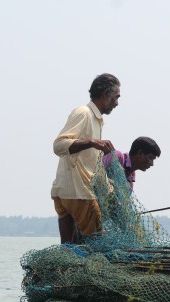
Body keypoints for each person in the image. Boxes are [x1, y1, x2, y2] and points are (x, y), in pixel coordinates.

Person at [51, 73, 121, 244]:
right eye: (116, 97)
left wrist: (110, 191)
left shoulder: (97, 120)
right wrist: (91, 142)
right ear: (105, 94)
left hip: (66, 192)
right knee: (95, 244)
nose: (117, 103)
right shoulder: (84, 113)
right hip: (79, 193)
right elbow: (59, 145)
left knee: (69, 248)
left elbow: (91, 164)